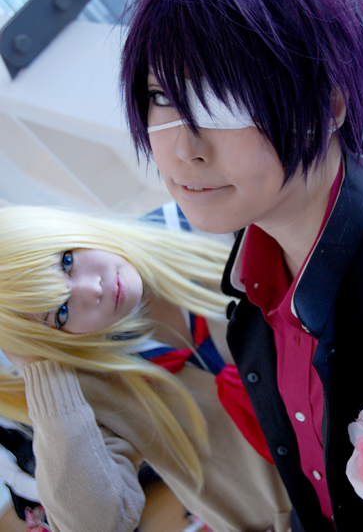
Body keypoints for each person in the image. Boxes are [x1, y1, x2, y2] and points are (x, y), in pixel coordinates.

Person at [121, 0, 363, 529]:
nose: (185, 150)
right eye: (163, 96)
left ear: (329, 104)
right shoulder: (252, 268)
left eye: (222, 99)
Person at [0, 204, 291, 532]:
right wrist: (41, 367)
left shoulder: (206, 224)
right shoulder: (87, 389)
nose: (92, 289)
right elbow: (95, 526)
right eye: (61, 312)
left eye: (66, 261)